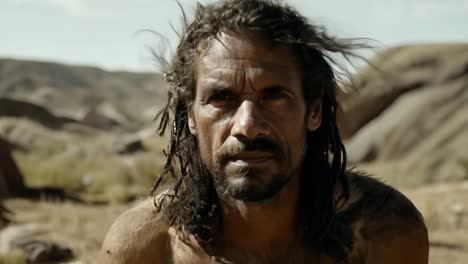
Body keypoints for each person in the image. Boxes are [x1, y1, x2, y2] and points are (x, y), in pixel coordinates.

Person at [101, 0, 429, 263]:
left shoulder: (383, 233)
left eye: (274, 96)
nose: (247, 125)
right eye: (221, 98)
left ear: (313, 111)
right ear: (190, 117)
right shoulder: (145, 247)